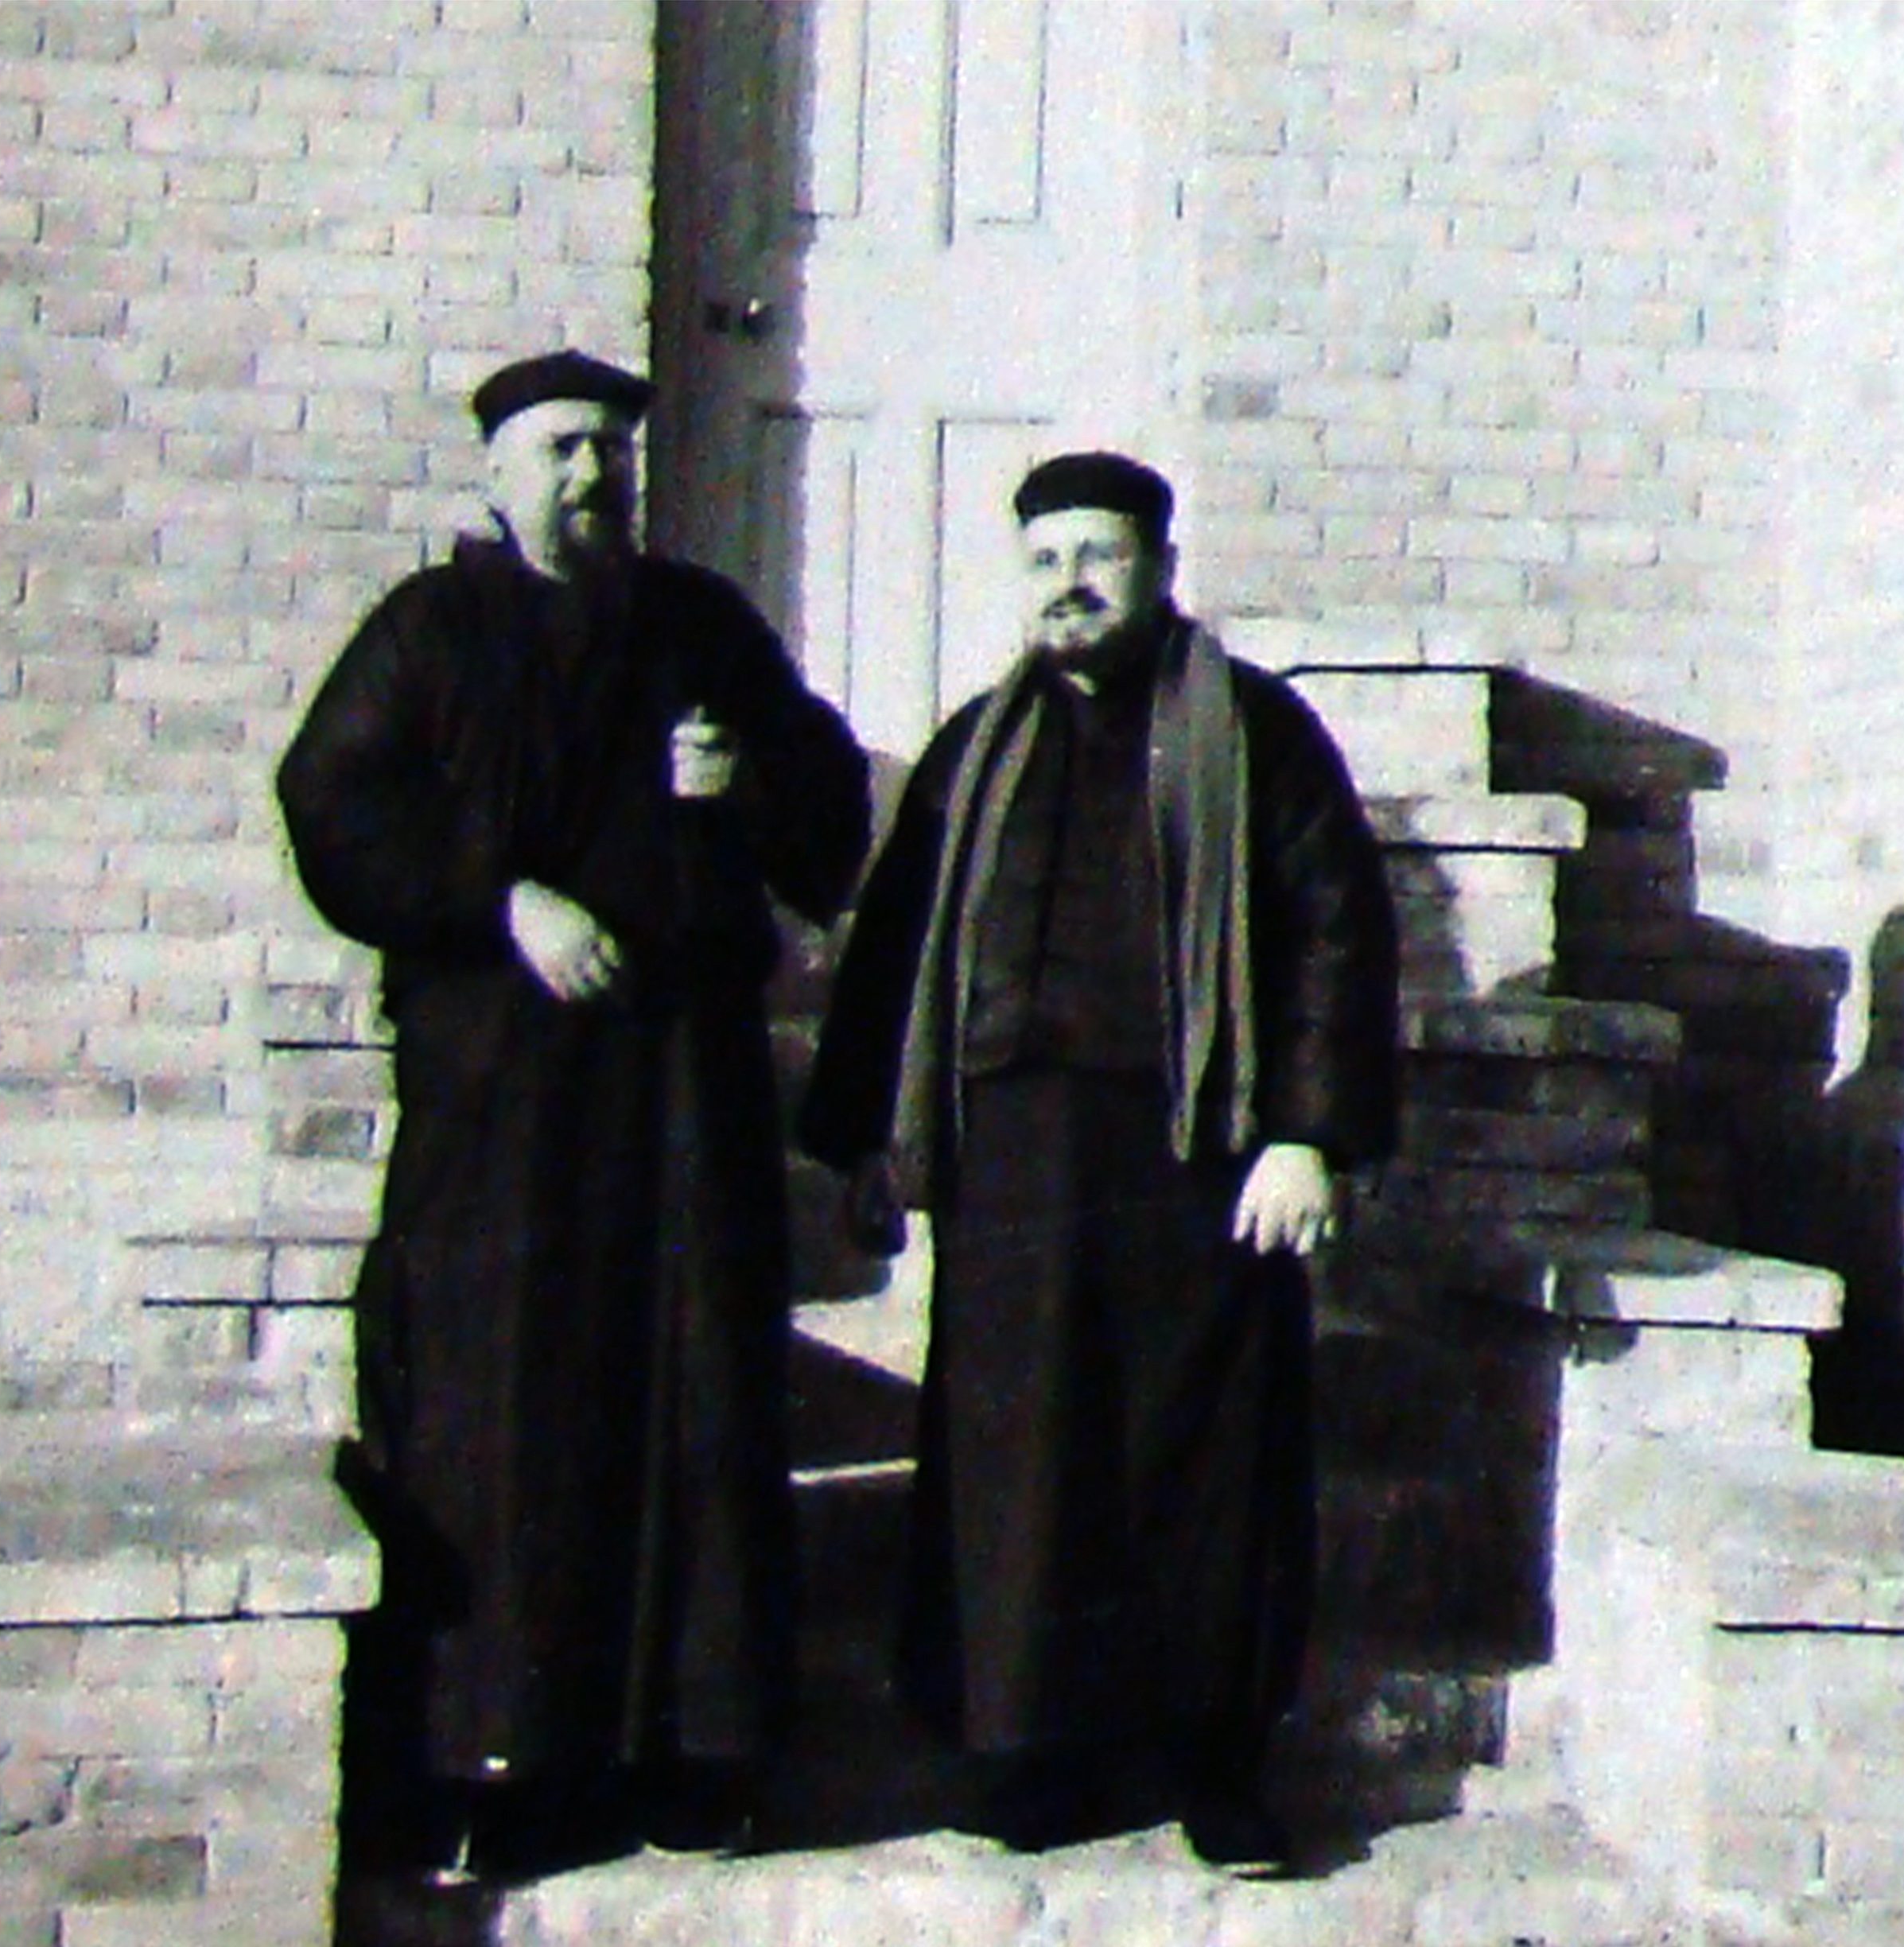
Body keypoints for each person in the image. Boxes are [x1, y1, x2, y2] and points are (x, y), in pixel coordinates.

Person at [276, 349, 872, 1874]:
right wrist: (502, 901)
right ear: (495, 474)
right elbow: (331, 803)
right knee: (498, 1412)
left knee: (693, 1401)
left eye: (609, 448)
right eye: (558, 449)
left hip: (679, 1096)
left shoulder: (700, 626)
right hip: (502, 1102)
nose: (591, 475)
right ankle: (497, 1772)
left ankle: (698, 1758)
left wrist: (741, 780)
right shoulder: (429, 631)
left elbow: (826, 813)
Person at [799, 450, 1400, 1872]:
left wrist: (1307, 1134)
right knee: (1018, 1466)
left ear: (1160, 568)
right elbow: (896, 944)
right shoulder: (975, 747)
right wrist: (870, 1143)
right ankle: (1031, 1751)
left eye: (1099, 555)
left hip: (1197, 1158)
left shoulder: (1252, 733)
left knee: (1202, 1464)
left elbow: (1333, 928)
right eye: (1045, 558)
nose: (1069, 583)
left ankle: (1212, 1768)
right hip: (1010, 1162)